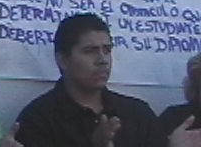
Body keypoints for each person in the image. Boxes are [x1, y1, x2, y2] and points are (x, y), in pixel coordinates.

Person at [15, 12, 166, 147]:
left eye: (107, 50)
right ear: (62, 60)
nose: (102, 60)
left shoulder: (137, 114)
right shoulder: (38, 120)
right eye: (89, 51)